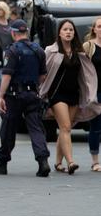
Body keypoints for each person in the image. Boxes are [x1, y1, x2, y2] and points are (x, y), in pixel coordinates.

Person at [0, 20, 51, 177]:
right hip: (32, 94)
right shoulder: (39, 50)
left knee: (8, 128)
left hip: (15, 95)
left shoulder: (12, 50)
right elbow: (42, 76)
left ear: (14, 33)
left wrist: (0, 96)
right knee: (36, 128)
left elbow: (6, 75)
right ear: (27, 32)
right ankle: (43, 161)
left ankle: (2, 162)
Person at [41, 19, 99, 174]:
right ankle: (71, 162)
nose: (68, 32)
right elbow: (42, 73)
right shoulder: (50, 51)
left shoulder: (79, 52)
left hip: (74, 95)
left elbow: (87, 74)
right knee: (66, 127)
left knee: (64, 128)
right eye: (65, 29)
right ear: (59, 33)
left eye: (71, 30)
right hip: (56, 95)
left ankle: (58, 163)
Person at [83, 17, 101, 172]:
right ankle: (95, 161)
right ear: (94, 29)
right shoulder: (89, 46)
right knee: (96, 126)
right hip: (95, 91)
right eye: (100, 26)